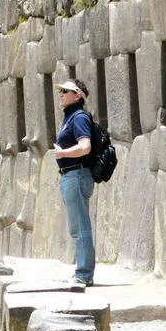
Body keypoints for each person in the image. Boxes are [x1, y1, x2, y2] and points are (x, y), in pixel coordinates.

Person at [52, 79, 95, 287]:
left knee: (80, 226)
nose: (60, 94)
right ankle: (83, 271)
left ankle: (84, 274)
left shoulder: (78, 117)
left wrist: (62, 153)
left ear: (77, 95)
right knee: (76, 226)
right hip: (71, 175)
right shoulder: (70, 117)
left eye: (65, 91)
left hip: (76, 174)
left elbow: (85, 146)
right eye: (60, 91)